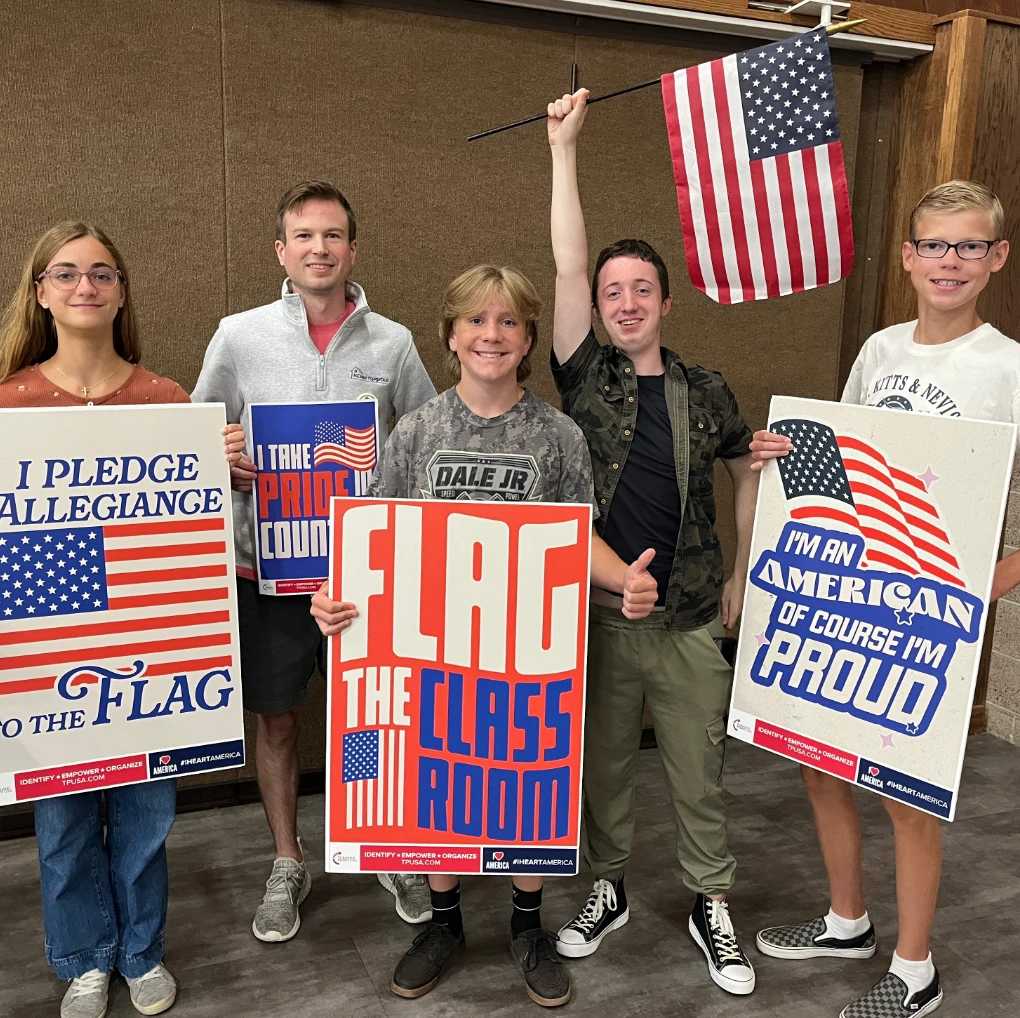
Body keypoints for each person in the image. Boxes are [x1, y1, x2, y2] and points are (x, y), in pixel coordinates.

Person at [309, 263, 659, 1007]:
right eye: (476, 320)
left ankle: (527, 925)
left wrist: (623, 577)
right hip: (434, 650)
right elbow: (375, 541)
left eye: (507, 322)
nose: (491, 335)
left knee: (527, 782)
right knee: (436, 781)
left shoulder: (556, 434)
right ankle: (443, 923)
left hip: (528, 655)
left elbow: (578, 538)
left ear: (529, 337)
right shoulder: (418, 431)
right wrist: (334, 600)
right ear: (451, 335)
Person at [751, 179, 1019, 1018]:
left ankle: (915, 970)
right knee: (820, 763)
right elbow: (849, 466)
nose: (950, 261)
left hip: (937, 610)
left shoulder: (1008, 368)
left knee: (907, 791)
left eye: (969, 246)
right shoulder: (878, 351)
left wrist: (976, 597)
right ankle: (847, 920)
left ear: (996, 258)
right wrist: (784, 454)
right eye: (935, 244)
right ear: (907, 256)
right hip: (861, 597)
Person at [544, 90, 760, 997]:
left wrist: (743, 581)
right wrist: (565, 151)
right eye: (609, 292)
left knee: (697, 772)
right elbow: (563, 257)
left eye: (640, 289)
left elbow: (749, 471)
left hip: (687, 619)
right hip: (598, 616)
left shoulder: (707, 389)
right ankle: (609, 887)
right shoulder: (583, 374)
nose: (624, 302)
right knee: (601, 774)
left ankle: (712, 902)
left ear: (665, 301)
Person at [191, 181, 437, 942]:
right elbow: (195, 437)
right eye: (304, 237)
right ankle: (288, 857)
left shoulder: (392, 342)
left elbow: (424, 437)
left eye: (332, 236)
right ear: (282, 251)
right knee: (277, 722)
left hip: (369, 573)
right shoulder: (239, 335)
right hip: (267, 568)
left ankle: (387, 846)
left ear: (353, 250)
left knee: (375, 718)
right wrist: (218, 458)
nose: (319, 249)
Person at [0, 222, 232, 1018]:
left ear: (122, 290)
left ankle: (140, 951)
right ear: (41, 292)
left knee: (145, 816)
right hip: (50, 657)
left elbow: (187, 534)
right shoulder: (9, 403)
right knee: (63, 821)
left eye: (102, 273)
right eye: (66, 274)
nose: (86, 287)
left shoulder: (166, 399)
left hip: (150, 656)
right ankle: (83, 958)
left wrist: (220, 464)